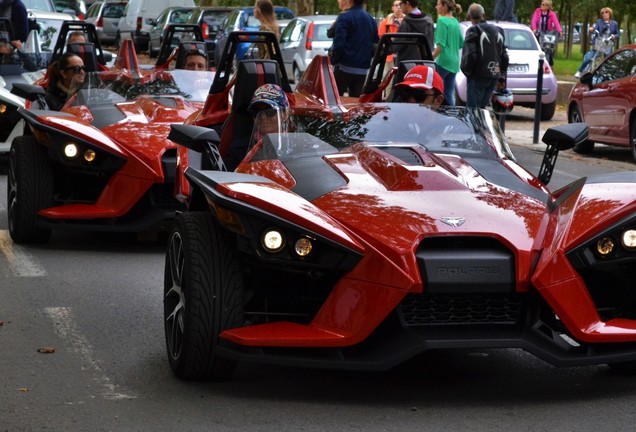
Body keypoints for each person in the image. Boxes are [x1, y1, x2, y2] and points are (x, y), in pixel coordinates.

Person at [225, 83, 290, 171]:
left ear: (285, 114)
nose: (262, 117)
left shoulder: (295, 147)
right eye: (257, 112)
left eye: (270, 112)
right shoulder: (238, 150)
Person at [460, 3, 508, 109]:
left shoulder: (473, 30)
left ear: (469, 17)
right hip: (493, 76)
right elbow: (504, 57)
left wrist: (467, 72)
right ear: (483, 15)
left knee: (473, 111)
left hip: (477, 76)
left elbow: (470, 55)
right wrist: (501, 77)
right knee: (482, 109)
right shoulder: (499, 30)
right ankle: (482, 126)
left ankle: (475, 126)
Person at [330, 0, 378, 98]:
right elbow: (375, 43)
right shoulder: (370, 19)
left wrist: (333, 60)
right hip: (362, 69)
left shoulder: (344, 17)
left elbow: (339, 43)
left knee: (335, 100)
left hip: (344, 67)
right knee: (355, 103)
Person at [574, 7, 620, 78]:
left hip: (608, 44)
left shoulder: (614, 23)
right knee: (589, 58)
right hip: (598, 43)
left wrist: (614, 36)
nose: (604, 14)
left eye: (606, 12)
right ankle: (579, 71)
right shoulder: (599, 21)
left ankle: (606, 75)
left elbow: (618, 34)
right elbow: (595, 28)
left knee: (608, 60)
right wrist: (592, 29)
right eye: (603, 13)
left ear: (610, 14)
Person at [433, 0, 463, 106]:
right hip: (454, 62)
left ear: (444, 6)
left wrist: (429, 58)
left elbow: (440, 46)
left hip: (443, 61)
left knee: (435, 92)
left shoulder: (442, 21)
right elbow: (461, 43)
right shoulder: (455, 21)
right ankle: (451, 116)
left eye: (438, 4)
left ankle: (436, 116)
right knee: (448, 94)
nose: (436, 7)